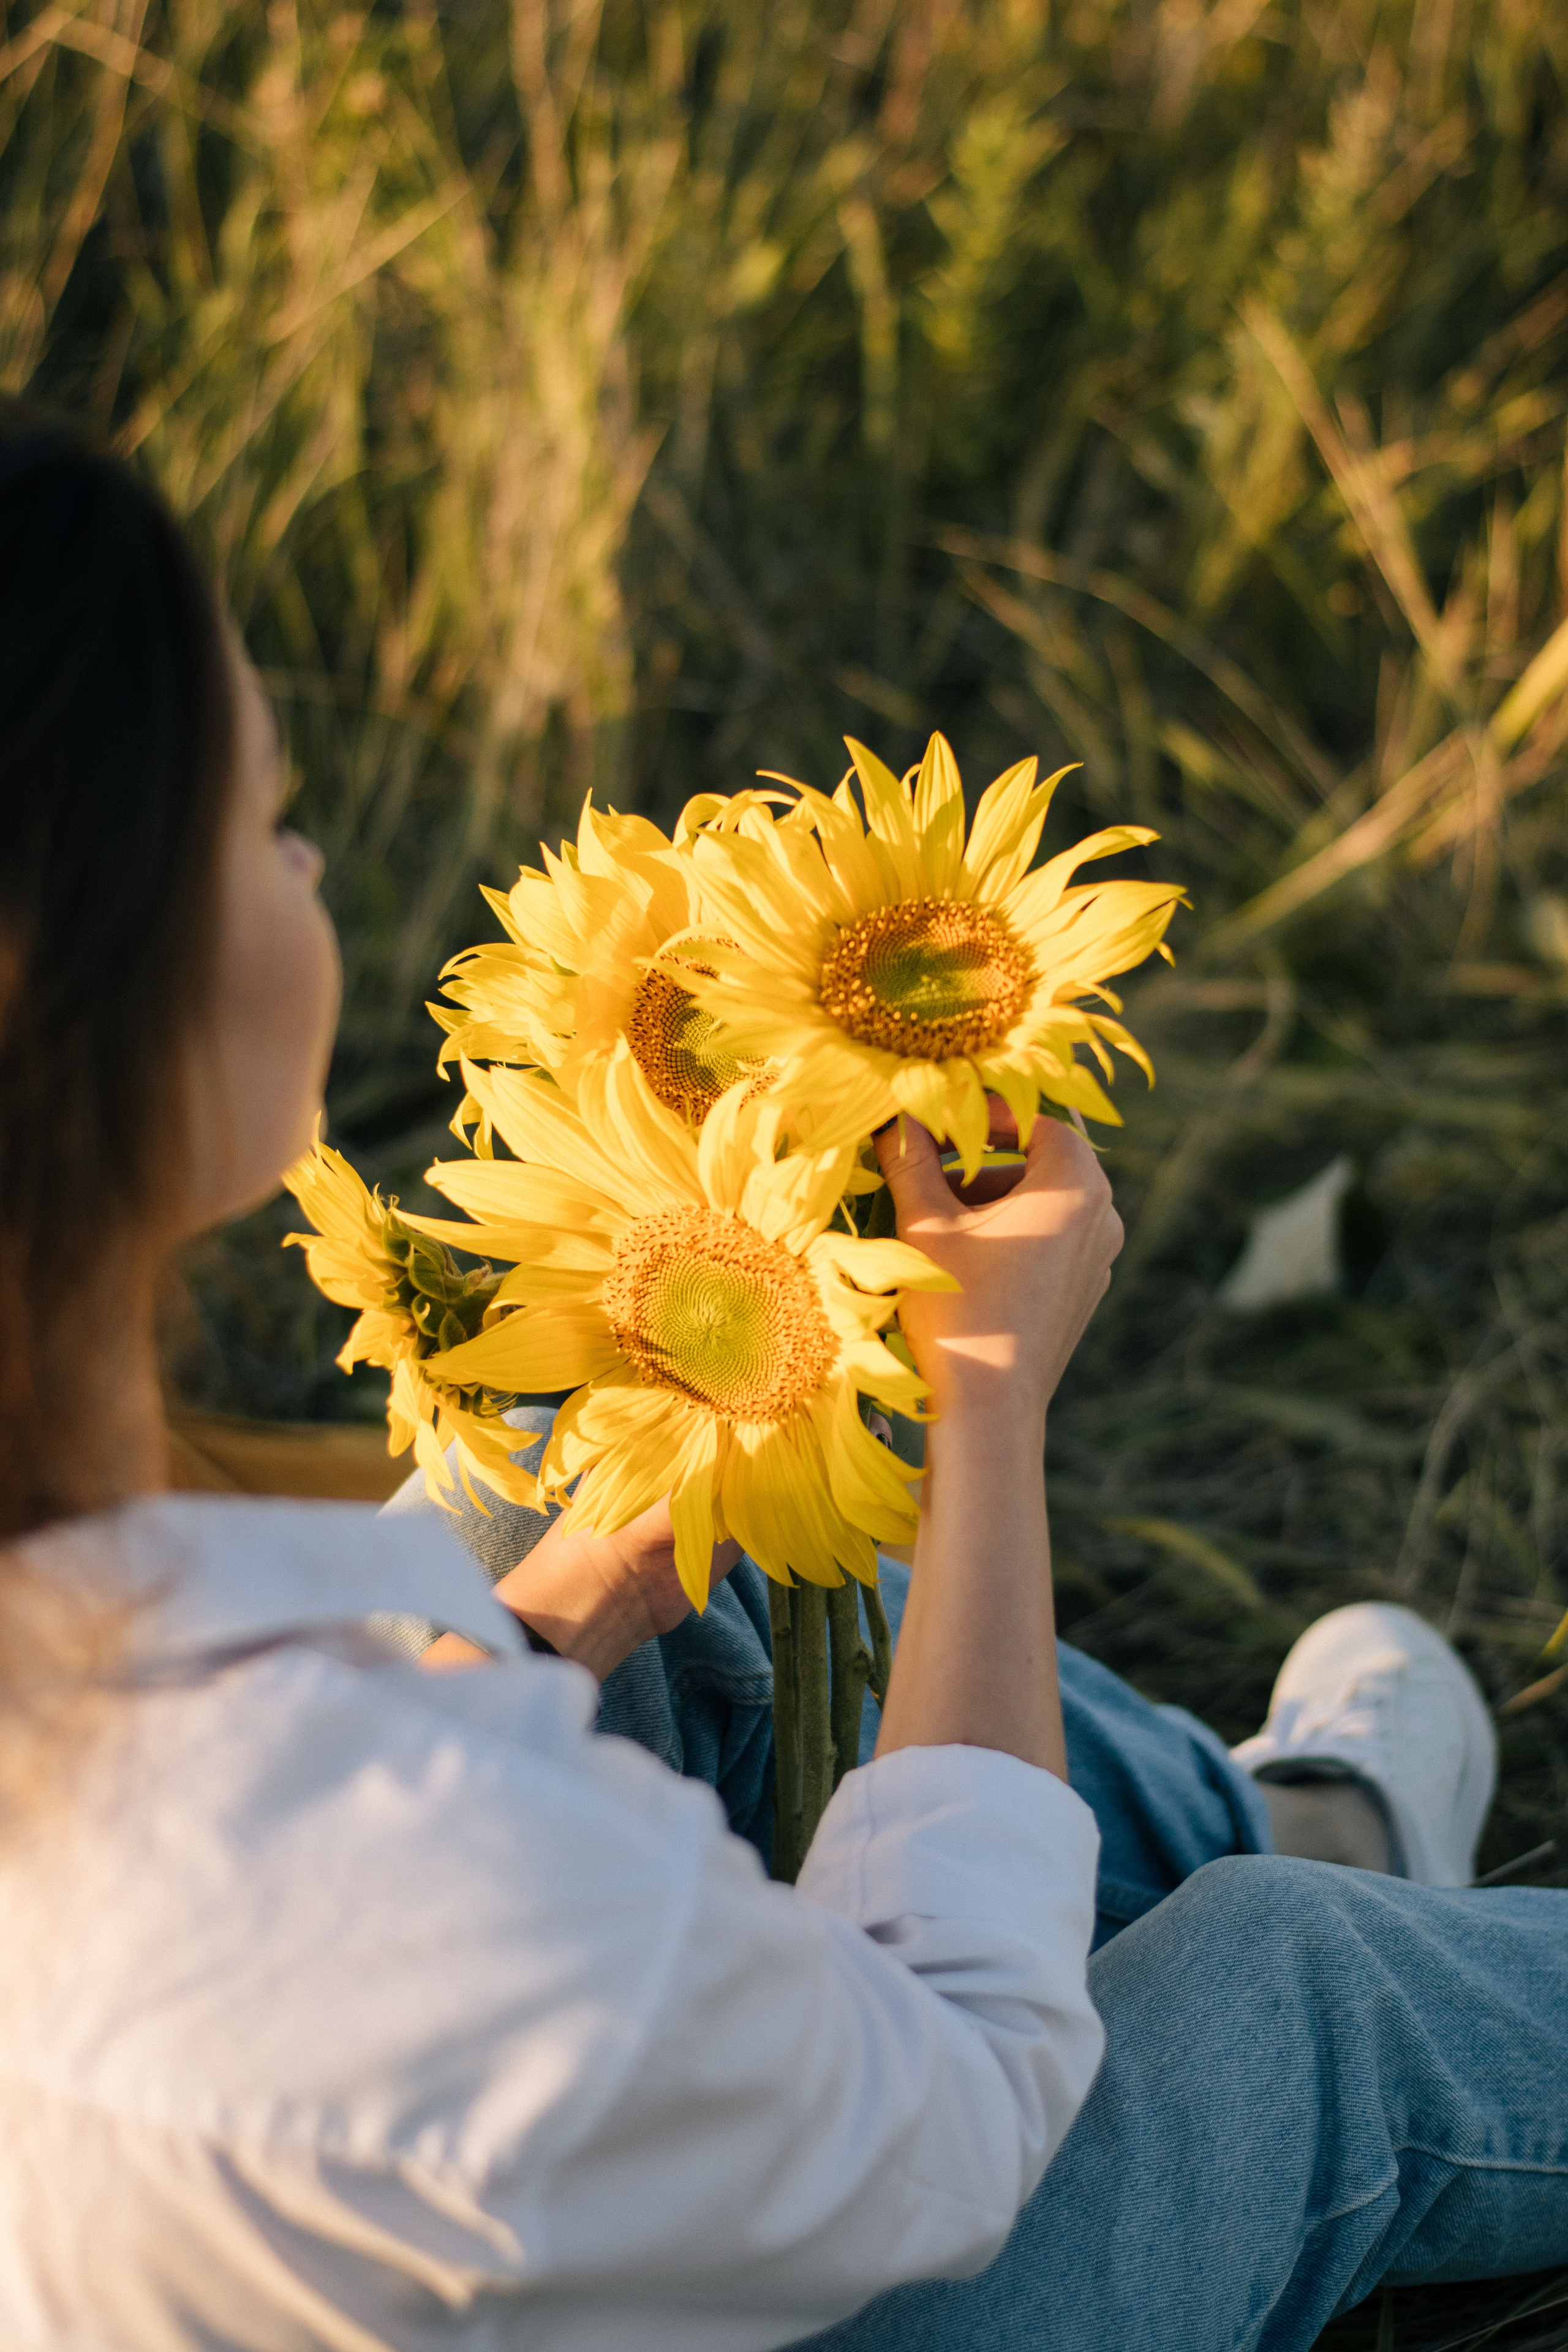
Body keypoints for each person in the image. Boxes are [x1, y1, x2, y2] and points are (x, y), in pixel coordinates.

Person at [0, 402, 1562, 2352]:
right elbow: (965, 2102)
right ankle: (1313, 1870)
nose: (310, 855)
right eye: (263, 816)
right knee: (1292, 1992)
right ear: (103, 1003)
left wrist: (566, 1609)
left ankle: (1286, 1813)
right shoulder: (383, 1894)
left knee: (561, 1514)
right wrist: (986, 1403)